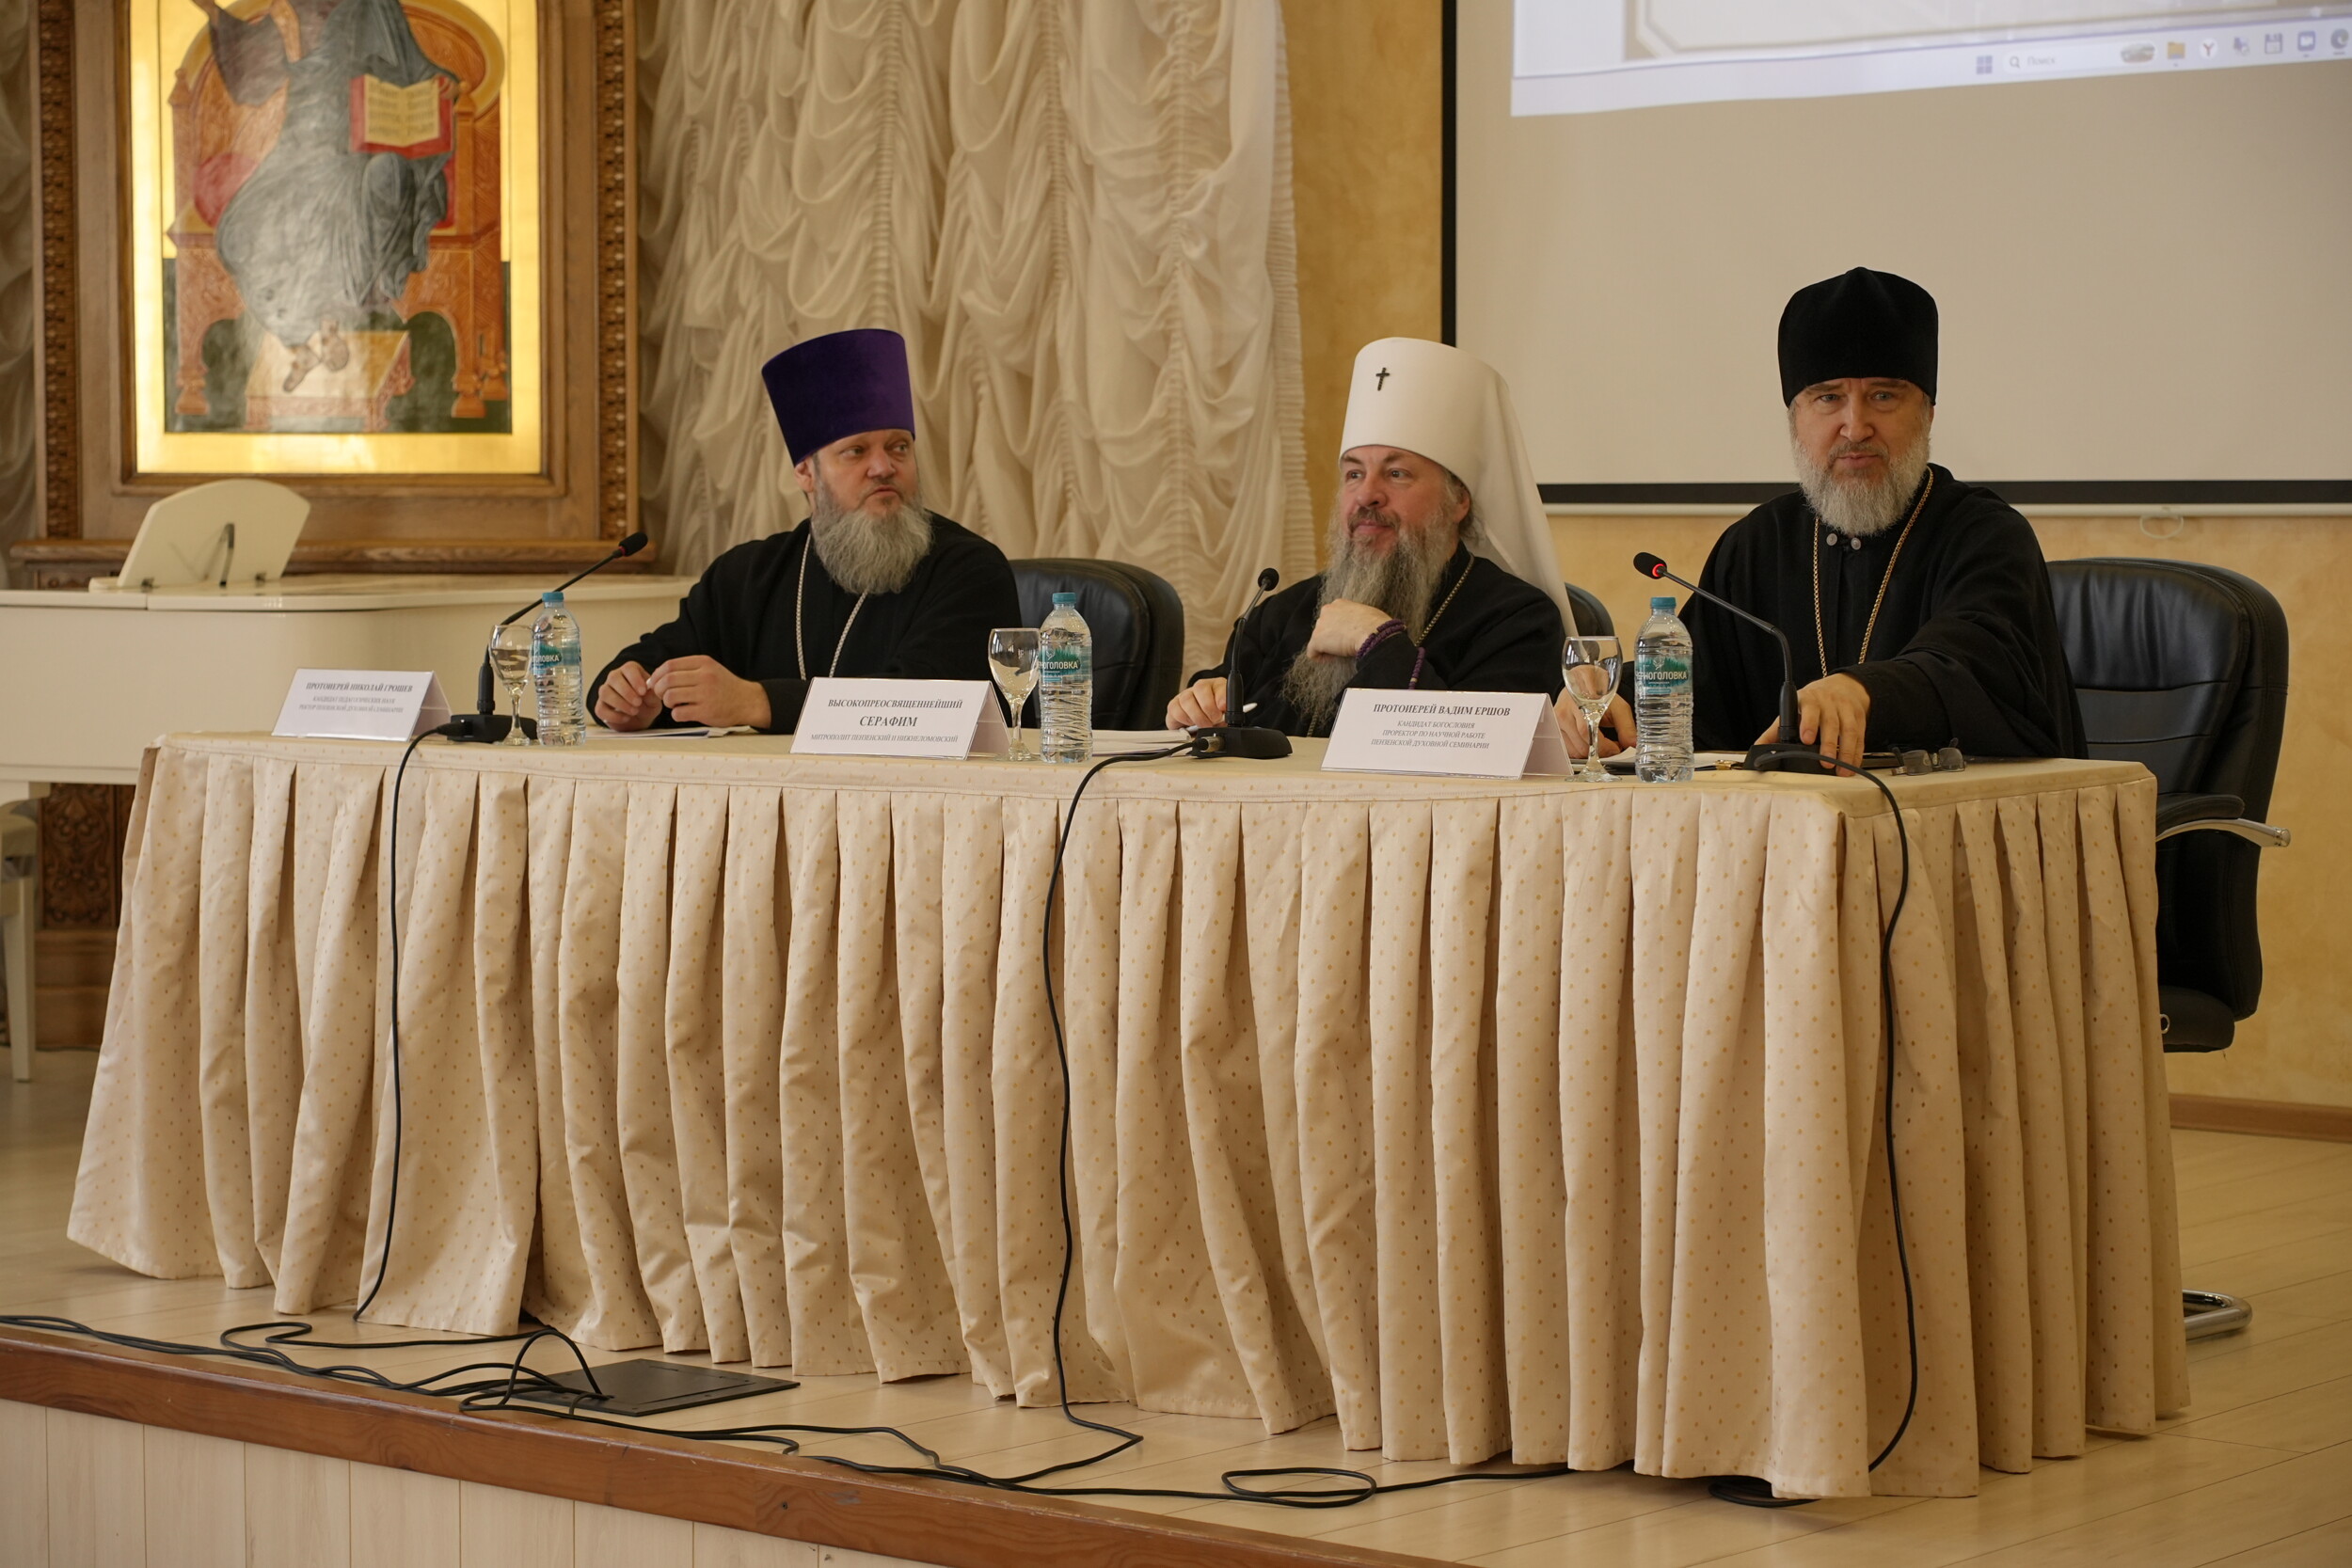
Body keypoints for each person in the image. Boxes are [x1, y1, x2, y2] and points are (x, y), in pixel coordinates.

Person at [1684, 267, 2086, 768]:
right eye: (1828, 397)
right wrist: (1617, 699)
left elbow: (1976, 667)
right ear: (1795, 419)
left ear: (1927, 413)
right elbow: (1692, 682)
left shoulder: (1986, 536)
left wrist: (1862, 691)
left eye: (1883, 396)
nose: (1856, 427)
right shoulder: (1756, 544)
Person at [1167, 338, 1601, 741]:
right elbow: (1222, 716)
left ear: (1458, 501)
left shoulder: (1517, 621)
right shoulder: (1280, 613)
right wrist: (1201, 703)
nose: (1366, 495)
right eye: (1354, 473)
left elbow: (1480, 750)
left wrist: (1378, 640)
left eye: (1396, 473)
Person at [590, 328, 1019, 733]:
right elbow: (649, 664)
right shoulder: (747, 576)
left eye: (898, 447)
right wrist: (626, 696)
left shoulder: (969, 569)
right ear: (805, 473)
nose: (883, 466)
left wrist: (758, 702)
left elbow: (935, 706)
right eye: (856, 451)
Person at [195, 0, 457, 392]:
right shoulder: (289, 6)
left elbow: (415, 66)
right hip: (298, 148)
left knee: (355, 200)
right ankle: (298, 342)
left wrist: (442, 82)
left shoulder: (374, 6)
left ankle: (331, 325)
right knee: (238, 232)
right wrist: (215, 14)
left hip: (358, 146)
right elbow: (253, 77)